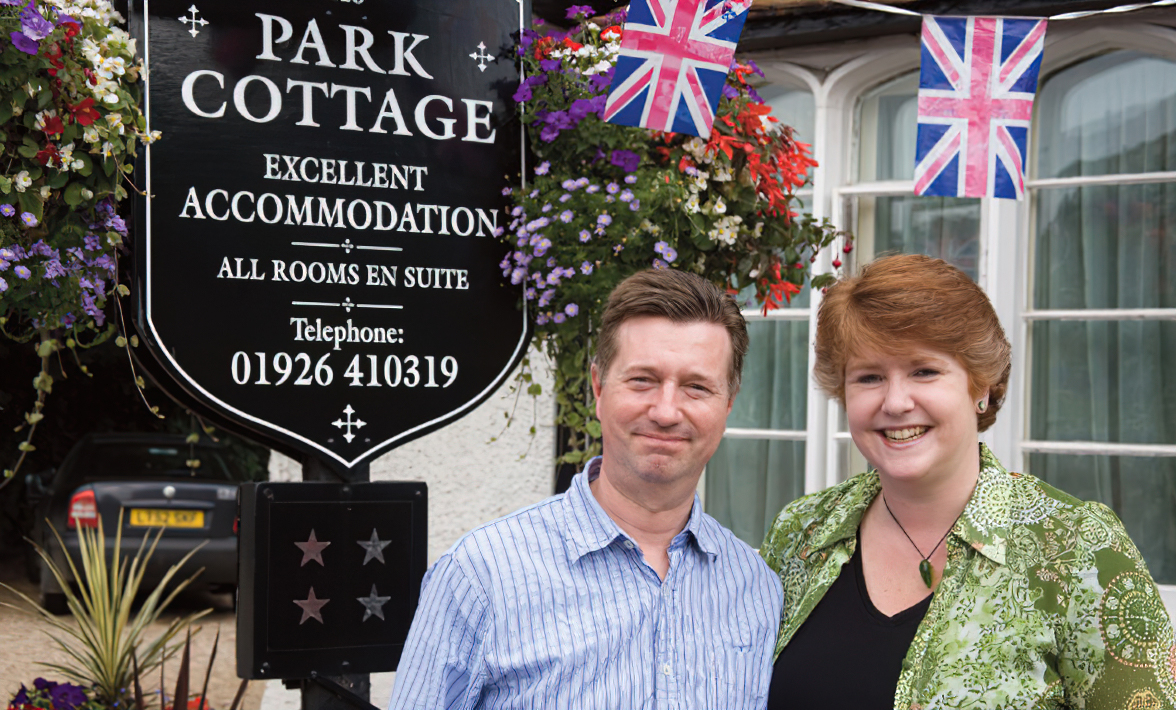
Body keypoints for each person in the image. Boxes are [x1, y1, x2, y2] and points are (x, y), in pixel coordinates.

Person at [761, 254, 1176, 710]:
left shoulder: (1079, 551)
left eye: (924, 370)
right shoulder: (802, 534)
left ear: (981, 385)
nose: (896, 401)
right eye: (869, 377)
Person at [388, 268, 784, 710]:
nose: (667, 411)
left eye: (696, 387)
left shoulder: (756, 587)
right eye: (642, 380)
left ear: (727, 403)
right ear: (598, 387)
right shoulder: (482, 576)